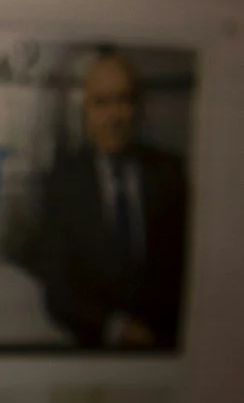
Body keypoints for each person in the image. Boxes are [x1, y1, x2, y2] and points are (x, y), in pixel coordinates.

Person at [30, 50, 189, 349]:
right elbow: (58, 292)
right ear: (86, 111)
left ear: (138, 108)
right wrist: (116, 329)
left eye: (124, 100)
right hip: (96, 349)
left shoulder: (171, 174)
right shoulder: (63, 183)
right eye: (102, 103)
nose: (114, 116)